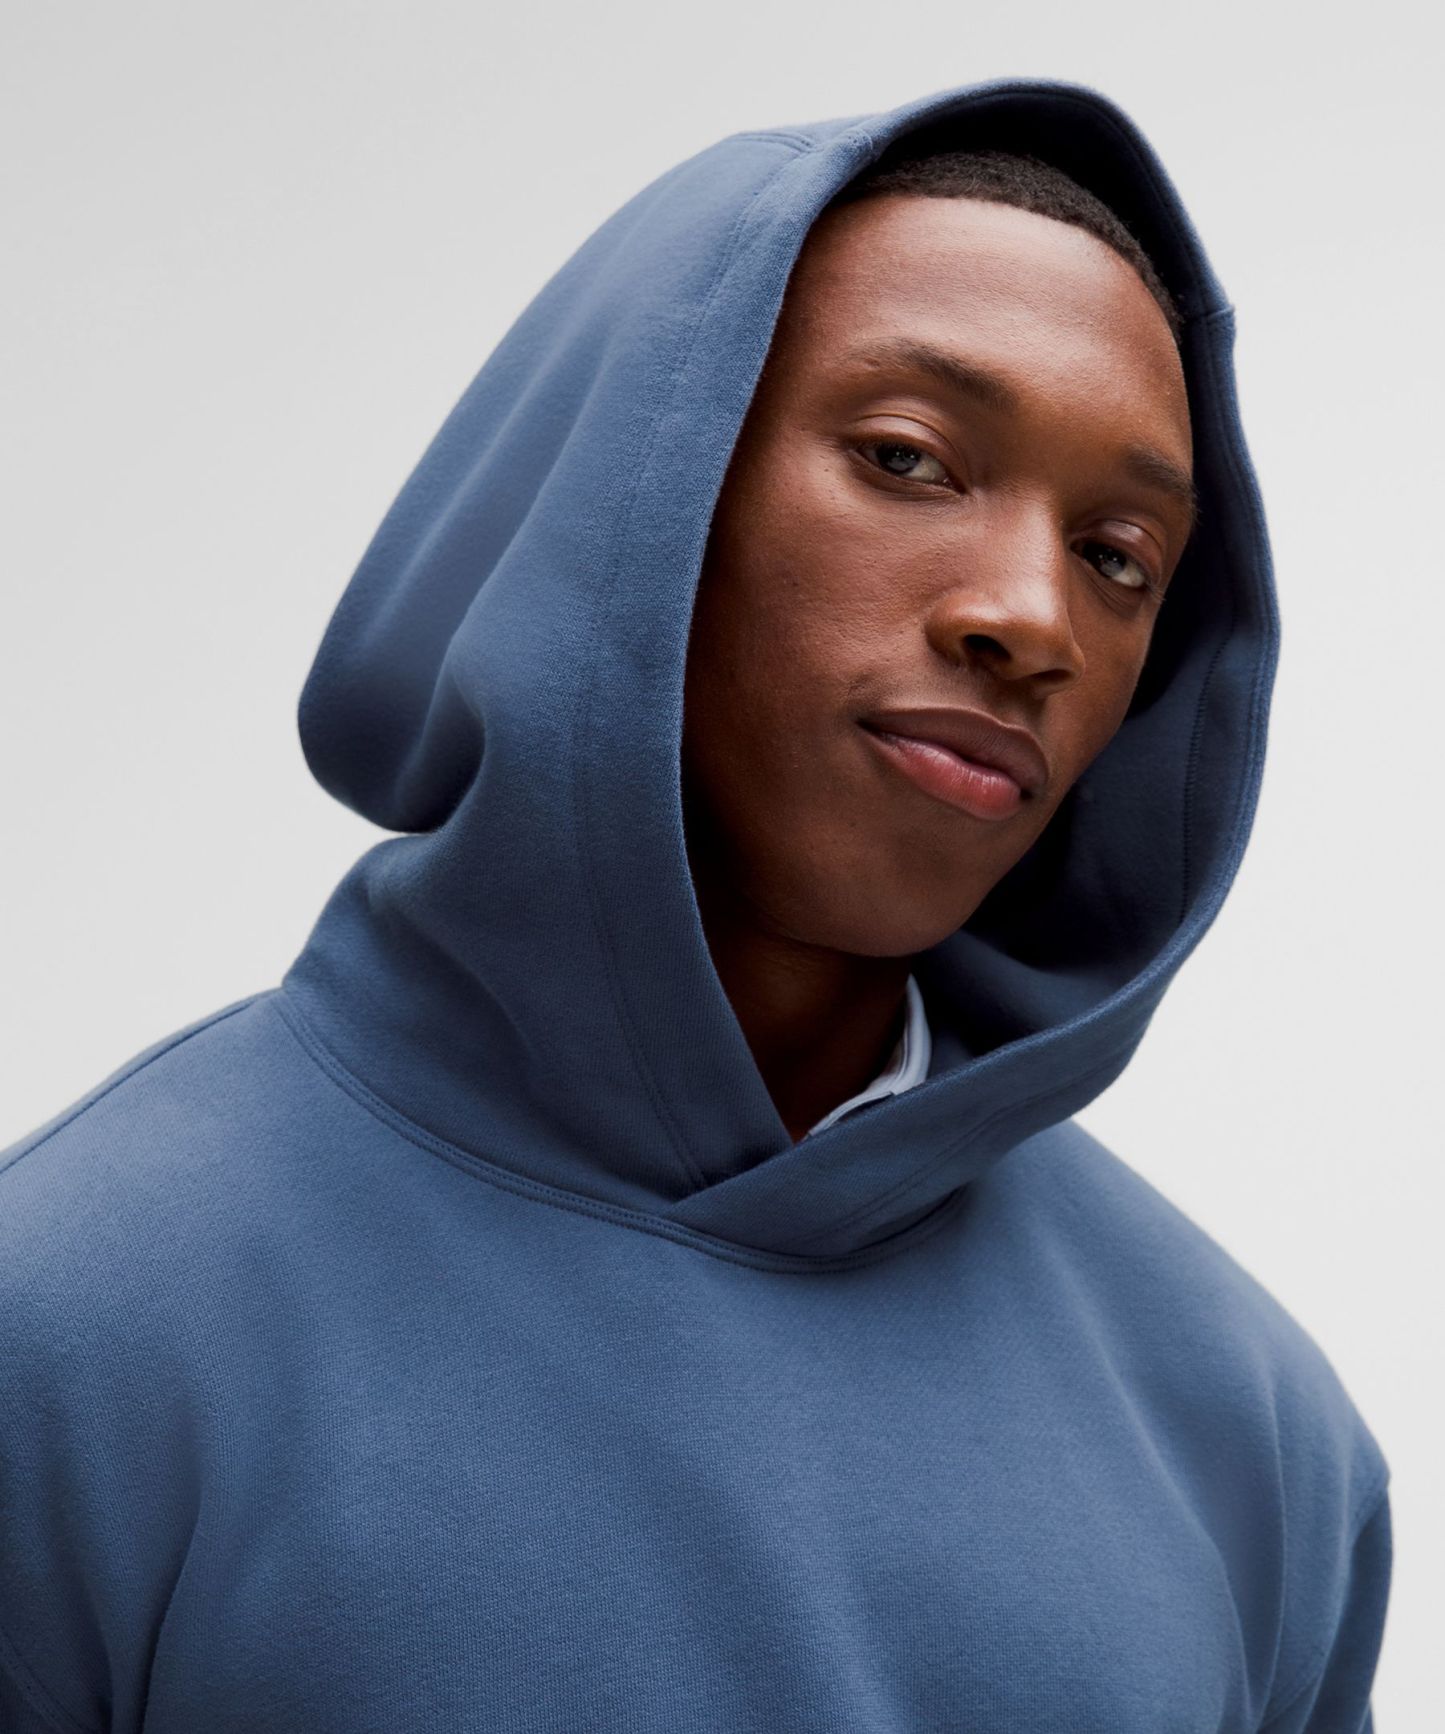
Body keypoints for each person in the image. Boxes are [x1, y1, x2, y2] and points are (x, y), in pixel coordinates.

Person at [0, 76, 1390, 1733]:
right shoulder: (74, 1321)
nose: (1031, 617)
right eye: (905, 457)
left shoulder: (1254, 1439)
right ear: (632, 489)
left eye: (1117, 555)